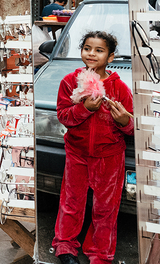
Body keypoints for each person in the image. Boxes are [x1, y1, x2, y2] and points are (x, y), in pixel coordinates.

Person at [52, 31, 133, 264]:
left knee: (106, 209)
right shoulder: (69, 82)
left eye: (99, 50)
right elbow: (63, 116)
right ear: (81, 51)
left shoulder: (119, 88)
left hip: (109, 156)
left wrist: (124, 121)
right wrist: (84, 108)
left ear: (110, 57)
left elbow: (132, 126)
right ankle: (65, 246)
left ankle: (99, 254)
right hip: (77, 153)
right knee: (71, 203)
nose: (92, 53)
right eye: (87, 48)